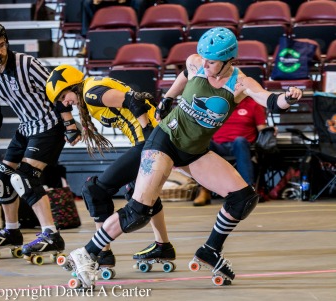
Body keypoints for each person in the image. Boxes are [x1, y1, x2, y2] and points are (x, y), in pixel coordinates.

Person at [62, 27, 303, 288]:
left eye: (212, 62)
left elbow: (270, 100)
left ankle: (210, 250)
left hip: (194, 152)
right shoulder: (196, 63)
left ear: (229, 60)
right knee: (138, 211)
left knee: (243, 198)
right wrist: (167, 97)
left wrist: (288, 98)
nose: (206, 65)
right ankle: (85, 253)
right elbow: (186, 73)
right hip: (164, 141)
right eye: (204, 59)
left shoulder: (240, 83)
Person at [45, 65, 175, 268]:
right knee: (138, 191)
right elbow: (137, 98)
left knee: (94, 189)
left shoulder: (90, 93)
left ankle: (102, 253)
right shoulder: (91, 87)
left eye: (64, 96)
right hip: (153, 140)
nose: (66, 102)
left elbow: (135, 100)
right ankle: (163, 246)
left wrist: (149, 134)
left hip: (149, 142)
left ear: (72, 85)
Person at [0, 21, 81, 260]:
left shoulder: (26, 64)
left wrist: (69, 123)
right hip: (26, 128)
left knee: (24, 178)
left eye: (1, 46)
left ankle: (51, 234)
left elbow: (55, 90)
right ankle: (12, 231)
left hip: (49, 126)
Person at [193, 96, 267, 206]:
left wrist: (270, 131)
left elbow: (263, 130)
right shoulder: (220, 105)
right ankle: (205, 190)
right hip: (219, 146)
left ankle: (248, 190)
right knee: (204, 143)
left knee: (240, 141)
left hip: (241, 146)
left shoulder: (254, 105)